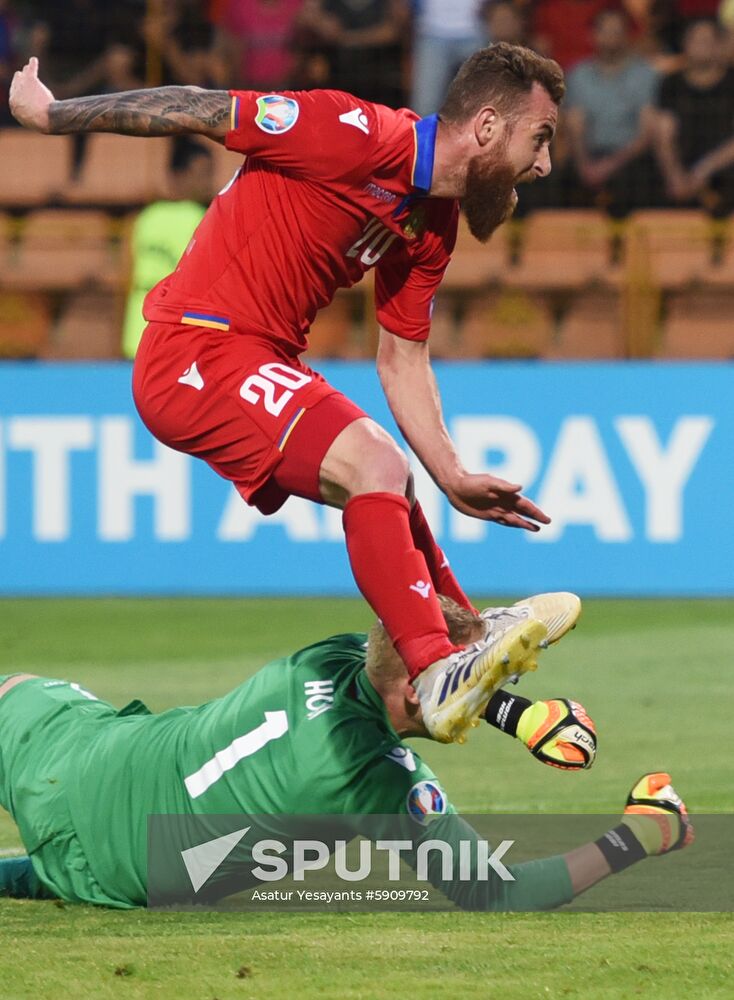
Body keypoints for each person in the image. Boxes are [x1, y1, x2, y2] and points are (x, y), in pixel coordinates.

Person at [9, 45, 563, 746]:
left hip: (258, 356)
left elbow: (402, 356)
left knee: (392, 494)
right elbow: (203, 108)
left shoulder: (433, 221)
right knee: (375, 466)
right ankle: (433, 667)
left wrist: (450, 473)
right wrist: (52, 115)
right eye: (538, 138)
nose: (543, 165)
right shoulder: (349, 131)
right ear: (487, 127)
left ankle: (468, 637)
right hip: (194, 346)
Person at [0, 596, 692, 910]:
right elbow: (498, 892)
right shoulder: (378, 783)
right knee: (77, 865)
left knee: (17, 687)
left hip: (79, 758)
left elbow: (412, 664)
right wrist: (638, 836)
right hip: (113, 874)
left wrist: (520, 713)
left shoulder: (327, 655)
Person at [122, 138, 214, 359]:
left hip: (138, 335)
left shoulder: (144, 217)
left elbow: (125, 276)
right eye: (202, 174)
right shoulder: (203, 220)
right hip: (176, 339)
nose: (207, 183)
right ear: (178, 174)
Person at [565, 7, 660, 215]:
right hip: (587, 156)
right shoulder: (577, 75)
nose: (611, 38)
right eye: (605, 32)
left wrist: (608, 166)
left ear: (627, 36)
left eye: (617, 32)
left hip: (631, 158)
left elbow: (646, 134)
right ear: (592, 36)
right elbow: (572, 125)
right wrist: (585, 166)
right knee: (556, 180)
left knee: (638, 180)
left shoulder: (645, 74)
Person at [654, 17, 734, 213]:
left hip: (722, 164)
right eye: (696, 41)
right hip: (680, 165)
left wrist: (704, 169)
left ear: (719, 45)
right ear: (685, 44)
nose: (702, 47)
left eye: (708, 41)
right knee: (641, 177)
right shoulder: (671, 82)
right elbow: (663, 134)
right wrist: (674, 175)